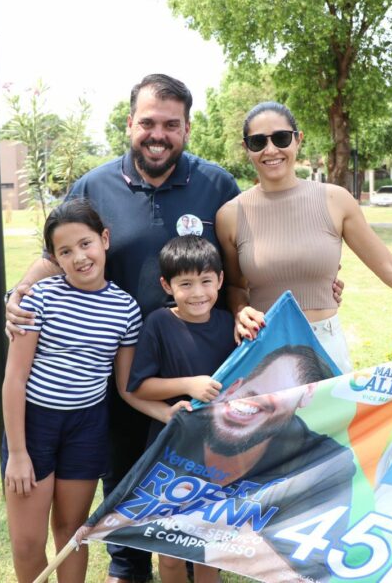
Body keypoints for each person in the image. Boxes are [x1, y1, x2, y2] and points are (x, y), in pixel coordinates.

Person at [4, 79, 344, 582]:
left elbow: (243, 262)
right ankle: (128, 567)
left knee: (195, 479)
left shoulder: (216, 185)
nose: (157, 134)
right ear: (130, 124)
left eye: (170, 124)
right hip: (116, 363)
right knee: (123, 471)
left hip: (196, 361)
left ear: (186, 127)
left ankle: (198, 562)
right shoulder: (95, 185)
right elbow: (55, 252)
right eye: (148, 123)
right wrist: (17, 292)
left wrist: (311, 286)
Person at [80, 344, 355, 583]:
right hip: (178, 495)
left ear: (303, 399)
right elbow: (134, 387)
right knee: (171, 553)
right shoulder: (190, 426)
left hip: (228, 531)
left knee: (207, 556)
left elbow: (304, 565)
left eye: (280, 393)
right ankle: (131, 566)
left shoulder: (324, 460)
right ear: (235, 385)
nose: (256, 401)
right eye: (253, 390)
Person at [216, 101, 392, 373]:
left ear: (298, 140)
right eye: (258, 142)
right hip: (264, 350)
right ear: (246, 148)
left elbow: (390, 267)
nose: (271, 150)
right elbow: (234, 286)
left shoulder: (335, 200)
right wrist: (239, 310)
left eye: (281, 138)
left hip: (326, 344)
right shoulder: (231, 215)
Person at [1, 199, 145, 583]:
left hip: (87, 428)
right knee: (28, 544)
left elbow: (126, 387)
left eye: (85, 244)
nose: (79, 257)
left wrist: (171, 413)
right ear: (54, 258)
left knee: (72, 534)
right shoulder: (39, 299)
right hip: (34, 426)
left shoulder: (126, 309)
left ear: (105, 240)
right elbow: (15, 378)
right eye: (65, 251)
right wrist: (17, 453)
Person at [127, 235, 236, 583]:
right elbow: (139, 385)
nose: (198, 293)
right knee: (170, 549)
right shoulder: (159, 323)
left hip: (218, 453)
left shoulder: (228, 324)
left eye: (206, 281)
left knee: (208, 548)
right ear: (167, 285)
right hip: (170, 453)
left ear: (220, 279)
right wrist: (188, 385)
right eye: (185, 284)